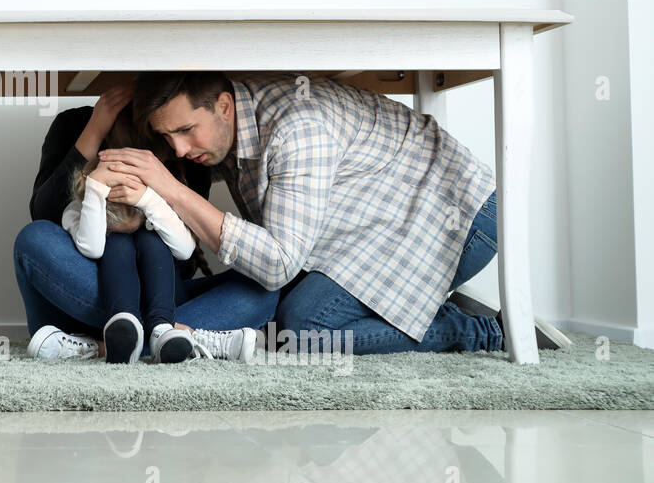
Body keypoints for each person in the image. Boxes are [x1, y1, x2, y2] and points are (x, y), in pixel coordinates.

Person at [96, 71, 568, 355]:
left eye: (186, 131)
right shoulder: (232, 130)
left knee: (301, 330)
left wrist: (169, 188)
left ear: (223, 105)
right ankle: (419, 309)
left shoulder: (295, 131)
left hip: (457, 216)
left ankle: (478, 329)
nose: (178, 149)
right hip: (374, 217)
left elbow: (278, 263)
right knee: (279, 305)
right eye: (168, 138)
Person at [15, 81, 273, 362]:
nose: (178, 145)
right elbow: (45, 215)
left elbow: (184, 261)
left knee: (263, 286)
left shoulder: (179, 146)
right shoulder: (75, 124)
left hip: (161, 291)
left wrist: (153, 196)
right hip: (92, 286)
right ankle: (179, 336)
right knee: (34, 238)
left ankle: (102, 345)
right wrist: (95, 132)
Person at [61, 104, 202, 364]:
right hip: (109, 300)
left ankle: (161, 331)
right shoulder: (79, 208)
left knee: (152, 241)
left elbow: (185, 250)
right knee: (118, 243)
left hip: (165, 300)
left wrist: (148, 200)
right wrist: (95, 189)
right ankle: (125, 328)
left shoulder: (153, 209)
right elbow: (92, 248)